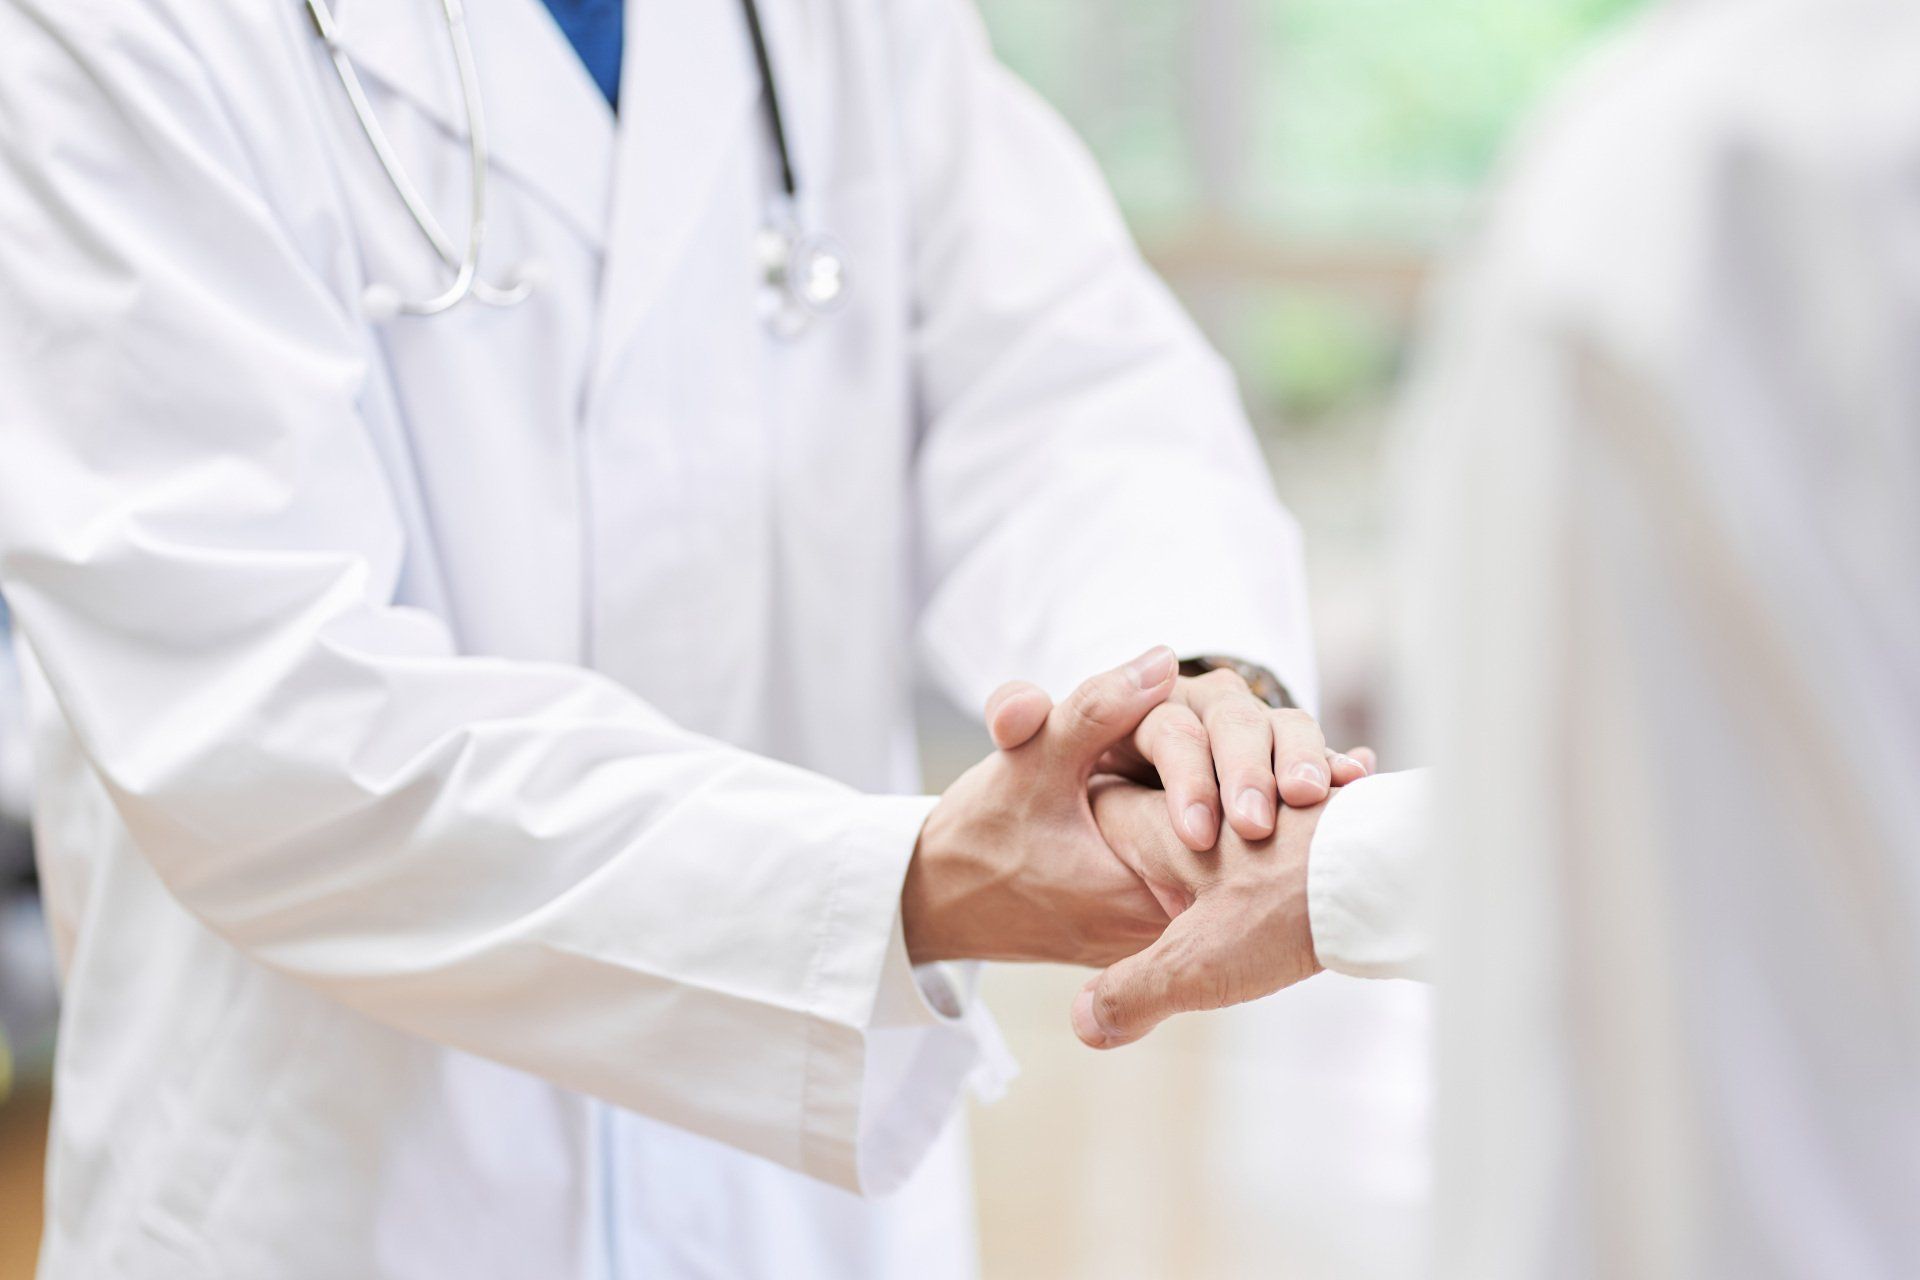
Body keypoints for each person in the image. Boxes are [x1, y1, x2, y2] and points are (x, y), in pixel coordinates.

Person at [0, 0, 1382, 1277]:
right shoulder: (109, 34)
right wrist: (902, 890)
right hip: (341, 1205)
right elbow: (266, 727)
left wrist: (1180, 695)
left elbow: (1065, 386)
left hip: (792, 1218)